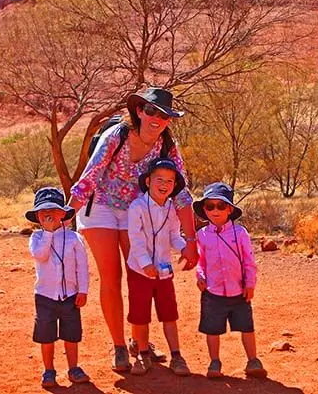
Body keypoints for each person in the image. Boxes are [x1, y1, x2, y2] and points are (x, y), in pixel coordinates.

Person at [69, 87, 198, 371]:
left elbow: (182, 192)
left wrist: (190, 239)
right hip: (99, 206)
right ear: (139, 111)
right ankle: (118, 347)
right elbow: (88, 179)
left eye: (164, 115)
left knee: (141, 275)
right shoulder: (117, 136)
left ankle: (140, 343)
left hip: (135, 211)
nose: (157, 119)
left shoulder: (167, 145)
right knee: (111, 276)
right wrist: (66, 220)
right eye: (152, 111)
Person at [126, 158, 192, 376]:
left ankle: (176, 356)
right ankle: (142, 354)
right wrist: (145, 264)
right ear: (148, 181)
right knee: (140, 315)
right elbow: (135, 239)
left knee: (169, 314)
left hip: (163, 272)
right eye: (159, 179)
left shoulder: (171, 208)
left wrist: (185, 248)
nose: (164, 184)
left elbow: (174, 234)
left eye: (170, 181)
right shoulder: (137, 207)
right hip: (140, 271)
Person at [194, 182, 266, 379]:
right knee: (212, 329)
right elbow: (201, 261)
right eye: (210, 206)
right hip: (213, 292)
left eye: (220, 206)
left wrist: (250, 284)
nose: (215, 211)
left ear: (230, 209)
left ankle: (253, 360)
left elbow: (249, 262)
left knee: (247, 327)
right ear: (204, 209)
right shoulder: (202, 235)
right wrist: (200, 276)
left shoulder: (240, 233)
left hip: (238, 290)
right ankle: (214, 362)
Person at [27, 187, 91, 387]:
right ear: (37, 216)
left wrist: (83, 290)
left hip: (70, 296)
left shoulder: (74, 238)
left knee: (71, 334)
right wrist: (47, 234)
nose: (49, 215)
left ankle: (73, 368)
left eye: (54, 211)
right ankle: (48, 371)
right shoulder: (36, 238)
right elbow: (40, 255)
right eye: (44, 212)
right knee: (46, 335)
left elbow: (83, 266)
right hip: (45, 297)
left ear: (63, 213)